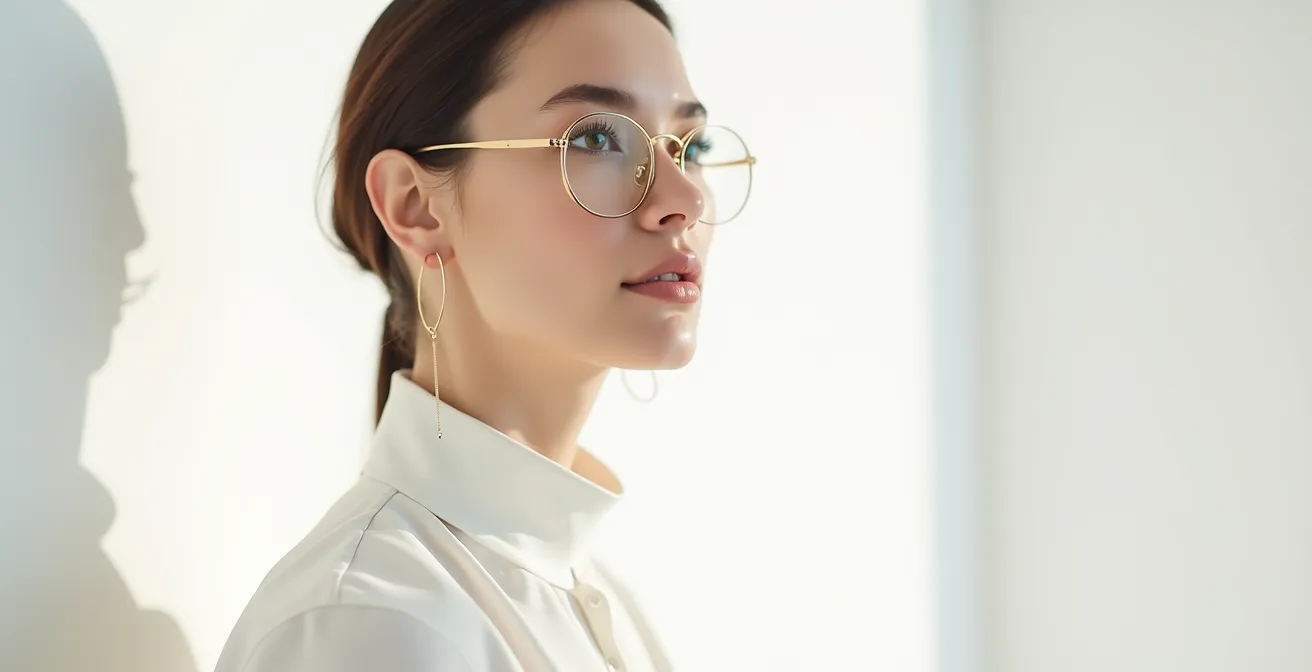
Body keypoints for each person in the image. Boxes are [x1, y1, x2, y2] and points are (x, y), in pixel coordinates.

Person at [214, 0, 754, 670]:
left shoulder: (584, 592)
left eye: (691, 146)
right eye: (597, 139)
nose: (687, 198)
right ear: (415, 205)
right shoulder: (373, 623)